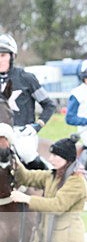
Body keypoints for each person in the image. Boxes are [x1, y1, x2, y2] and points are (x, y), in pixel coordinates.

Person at [0, 33, 56, 169]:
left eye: (3, 56)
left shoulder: (27, 78)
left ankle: (50, 178)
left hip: (22, 133)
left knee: (26, 152)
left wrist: (37, 126)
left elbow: (49, 105)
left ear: (12, 57)